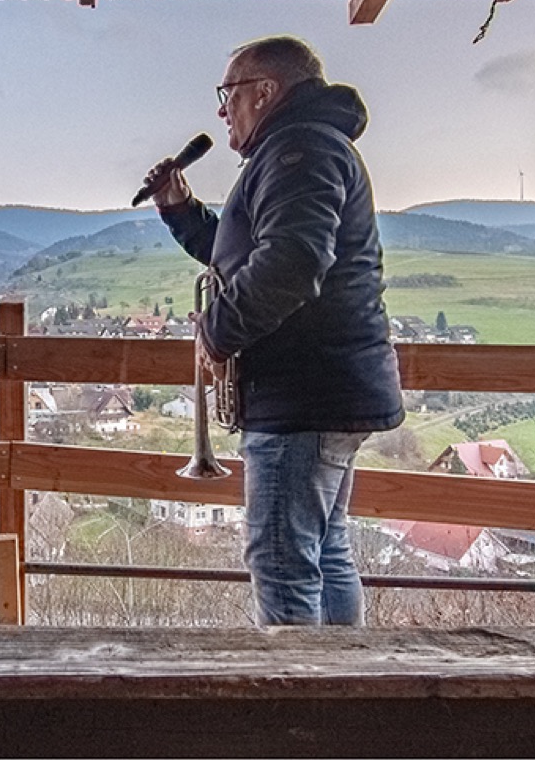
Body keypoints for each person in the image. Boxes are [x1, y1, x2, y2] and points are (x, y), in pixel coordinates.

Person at [142, 35, 404, 626]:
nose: (221, 109)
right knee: (325, 551)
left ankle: (300, 704)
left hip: (301, 396)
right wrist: (180, 208)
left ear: (265, 92)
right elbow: (240, 253)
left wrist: (216, 332)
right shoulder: (301, 148)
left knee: (282, 563)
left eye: (228, 93)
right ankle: (347, 689)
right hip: (326, 391)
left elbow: (289, 262)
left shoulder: (297, 151)